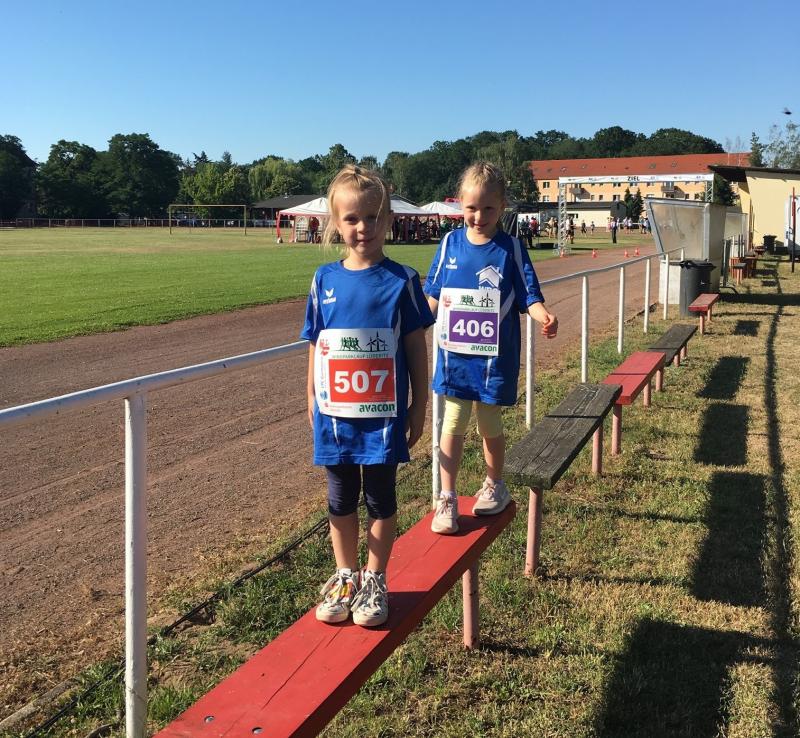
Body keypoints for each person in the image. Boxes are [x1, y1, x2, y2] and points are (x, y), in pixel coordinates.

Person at [301, 165, 433, 626]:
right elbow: (317, 344)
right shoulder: (323, 280)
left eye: (373, 217)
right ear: (335, 223)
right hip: (336, 416)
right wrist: (311, 397)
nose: (364, 227)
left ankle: (375, 577)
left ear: (389, 219)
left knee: (380, 497)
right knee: (339, 498)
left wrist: (419, 406)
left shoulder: (403, 280)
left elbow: (416, 348)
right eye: (353, 218)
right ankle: (345, 575)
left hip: (383, 417)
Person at [424, 162, 558, 534]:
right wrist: (412, 323)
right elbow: (433, 293)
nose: (479, 216)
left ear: (502, 207)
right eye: (471, 208)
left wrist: (544, 316)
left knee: (489, 423)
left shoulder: (511, 248)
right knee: (452, 422)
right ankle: (447, 498)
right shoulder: (449, 244)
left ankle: (494, 484)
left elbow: (529, 295)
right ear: (460, 204)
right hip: (455, 359)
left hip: (493, 361)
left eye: (488, 208)